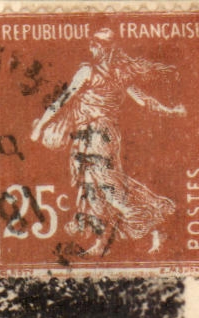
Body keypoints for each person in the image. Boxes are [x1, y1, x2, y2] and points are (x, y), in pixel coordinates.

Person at [31, 28, 186, 256]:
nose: (91, 49)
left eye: (94, 45)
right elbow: (144, 100)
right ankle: (102, 243)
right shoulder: (120, 74)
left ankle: (148, 221)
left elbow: (62, 101)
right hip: (103, 134)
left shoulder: (87, 71)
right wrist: (169, 110)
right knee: (98, 187)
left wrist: (39, 126)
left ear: (99, 48)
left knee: (107, 188)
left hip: (95, 135)